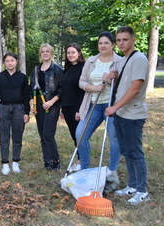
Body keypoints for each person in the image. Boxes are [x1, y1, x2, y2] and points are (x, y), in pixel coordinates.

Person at [105, 26, 150, 205]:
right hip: (122, 113)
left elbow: (135, 87)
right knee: (126, 151)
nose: (122, 43)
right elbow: (122, 84)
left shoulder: (139, 58)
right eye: (119, 40)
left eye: (125, 39)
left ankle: (142, 190)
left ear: (133, 40)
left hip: (133, 114)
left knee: (135, 152)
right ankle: (132, 185)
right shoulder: (124, 60)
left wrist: (114, 107)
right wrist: (113, 76)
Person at [76, 32, 122, 177]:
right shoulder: (91, 61)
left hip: (111, 106)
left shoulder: (120, 62)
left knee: (114, 138)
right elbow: (81, 82)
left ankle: (112, 171)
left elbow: (124, 85)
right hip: (93, 104)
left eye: (106, 43)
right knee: (80, 135)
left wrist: (110, 80)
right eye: (100, 43)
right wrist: (94, 87)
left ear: (112, 45)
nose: (103, 46)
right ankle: (85, 169)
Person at [0, 52, 30, 175]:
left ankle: (15, 162)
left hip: (19, 108)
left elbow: (26, 95)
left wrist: (26, 112)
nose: (10, 63)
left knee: (17, 136)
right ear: (4, 62)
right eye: (7, 61)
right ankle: (5, 163)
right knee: (4, 137)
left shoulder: (22, 77)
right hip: (3, 108)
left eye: (12, 60)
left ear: (16, 61)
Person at [29, 43, 63, 170]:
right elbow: (31, 88)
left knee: (48, 134)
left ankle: (55, 160)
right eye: (42, 51)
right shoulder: (36, 70)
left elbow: (61, 89)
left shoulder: (57, 69)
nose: (45, 53)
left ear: (52, 53)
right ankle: (47, 161)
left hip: (52, 104)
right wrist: (32, 104)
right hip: (39, 105)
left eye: (47, 51)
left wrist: (51, 102)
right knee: (42, 134)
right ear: (40, 54)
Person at [60, 43, 85, 172]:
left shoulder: (83, 67)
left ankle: (81, 161)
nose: (70, 55)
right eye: (68, 52)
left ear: (79, 53)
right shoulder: (68, 69)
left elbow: (83, 91)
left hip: (77, 107)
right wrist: (62, 109)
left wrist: (79, 110)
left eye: (73, 52)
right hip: (66, 107)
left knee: (79, 135)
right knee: (73, 134)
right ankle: (80, 160)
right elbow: (65, 90)